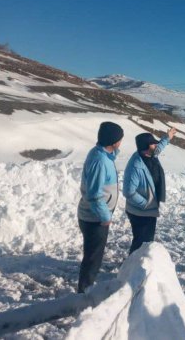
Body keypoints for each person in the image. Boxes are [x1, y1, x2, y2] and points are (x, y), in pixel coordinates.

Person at [77, 121, 124, 293]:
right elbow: (95, 194)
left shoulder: (103, 155)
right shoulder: (100, 160)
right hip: (94, 218)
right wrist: (105, 217)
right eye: (119, 139)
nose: (121, 142)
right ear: (113, 141)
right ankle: (84, 294)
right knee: (92, 259)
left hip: (95, 216)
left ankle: (85, 289)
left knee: (93, 256)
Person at [123, 127, 177, 254]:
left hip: (149, 209)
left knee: (145, 241)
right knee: (141, 242)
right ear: (147, 147)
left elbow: (159, 148)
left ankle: (137, 264)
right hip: (140, 211)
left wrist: (167, 137)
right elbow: (128, 192)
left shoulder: (149, 154)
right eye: (153, 143)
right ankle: (132, 267)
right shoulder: (136, 165)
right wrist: (146, 204)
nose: (156, 144)